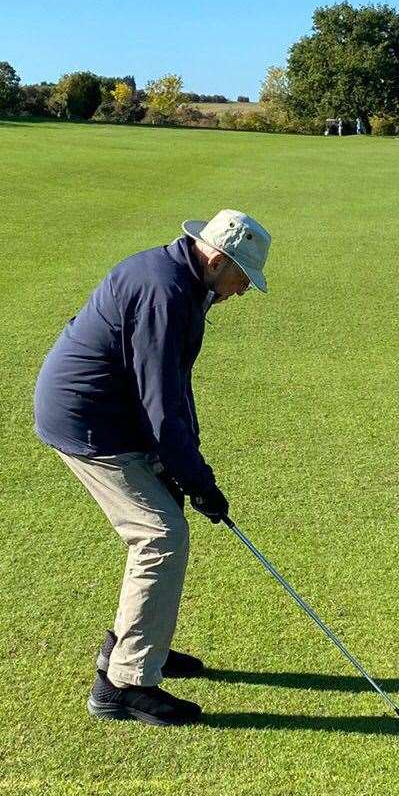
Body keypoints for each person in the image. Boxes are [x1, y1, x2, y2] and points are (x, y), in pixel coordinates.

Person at [33, 209, 272, 727]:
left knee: (168, 510)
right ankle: (123, 685)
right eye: (242, 277)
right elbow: (160, 405)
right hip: (89, 422)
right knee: (160, 535)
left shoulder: (185, 284)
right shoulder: (165, 294)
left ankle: (139, 648)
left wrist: (191, 475)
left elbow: (172, 390)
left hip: (116, 414)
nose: (243, 290)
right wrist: (199, 480)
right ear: (216, 258)